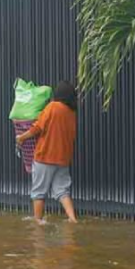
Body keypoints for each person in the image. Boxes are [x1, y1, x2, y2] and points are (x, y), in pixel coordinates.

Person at [16, 81, 78, 223]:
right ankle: (72, 218)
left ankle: (38, 222)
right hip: (62, 159)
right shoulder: (71, 112)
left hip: (45, 156)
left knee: (38, 192)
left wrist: (21, 137)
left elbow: (37, 128)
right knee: (62, 190)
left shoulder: (52, 107)